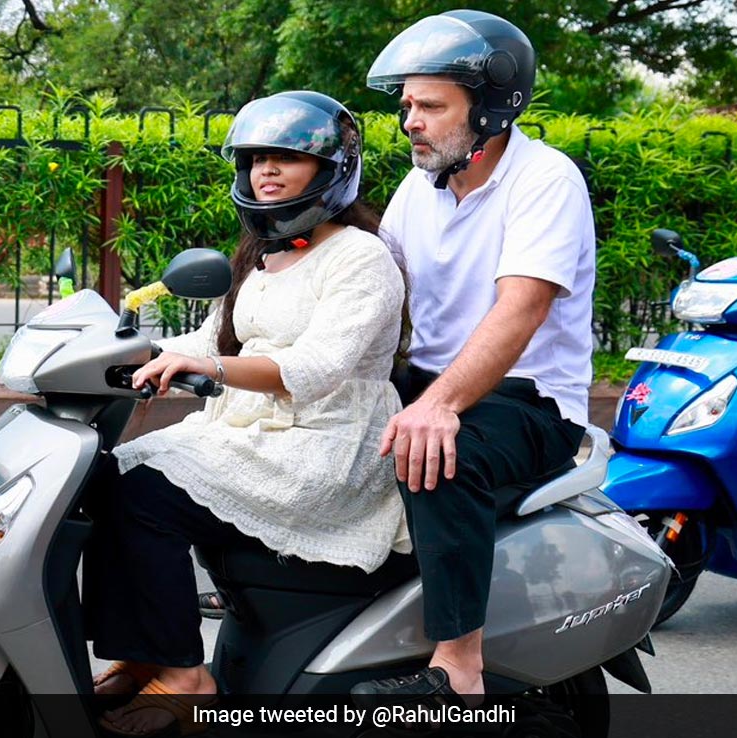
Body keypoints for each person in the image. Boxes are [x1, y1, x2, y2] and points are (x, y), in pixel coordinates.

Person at [82, 90, 409, 737]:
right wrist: (131, 355)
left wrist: (212, 370)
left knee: (146, 494)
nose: (267, 170)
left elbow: (316, 369)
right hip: (251, 434)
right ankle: (141, 655)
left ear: (331, 169)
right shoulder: (263, 256)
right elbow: (211, 343)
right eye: (258, 158)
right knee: (105, 472)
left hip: (324, 447)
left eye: (287, 157)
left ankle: (185, 677)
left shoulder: (360, 258)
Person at [351, 10, 595, 702]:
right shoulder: (415, 190)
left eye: (431, 106)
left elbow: (519, 309)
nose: (410, 122)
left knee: (435, 454)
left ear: (489, 108)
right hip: (433, 381)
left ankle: (459, 664)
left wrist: (438, 406)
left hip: (530, 399)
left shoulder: (544, 181)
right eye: (407, 106)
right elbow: (376, 293)